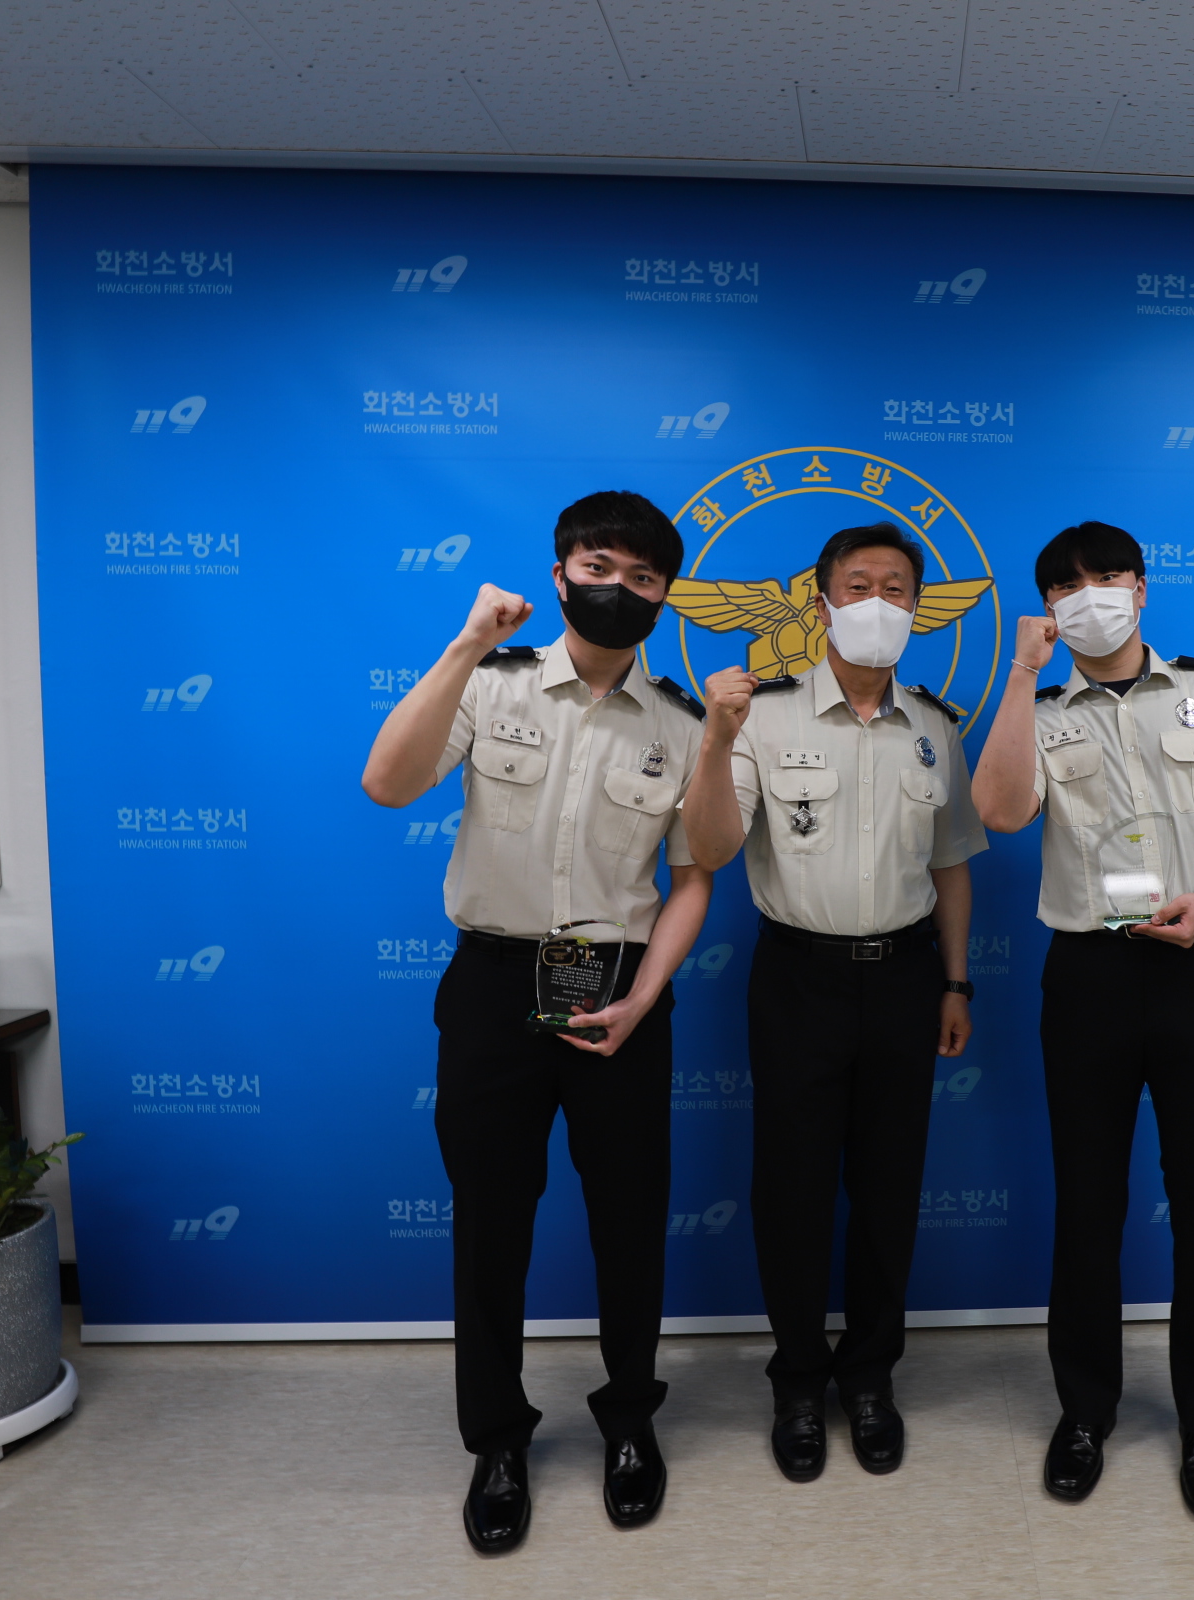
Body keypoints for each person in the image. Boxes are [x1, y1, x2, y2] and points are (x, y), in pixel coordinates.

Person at [361, 490, 711, 1552]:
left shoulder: (683, 723)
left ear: (664, 596)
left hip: (618, 988)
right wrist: (465, 644)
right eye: (599, 567)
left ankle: (631, 1421)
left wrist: (644, 995)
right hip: (494, 986)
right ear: (560, 575)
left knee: (629, 1220)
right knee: (490, 1223)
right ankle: (498, 1440)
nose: (619, 589)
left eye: (643, 577)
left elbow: (694, 877)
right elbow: (387, 782)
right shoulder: (492, 682)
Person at [968, 519, 1194, 1522]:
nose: (1091, 595)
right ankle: (1085, 1412)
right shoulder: (1038, 706)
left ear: (1142, 587)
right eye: (1067, 585)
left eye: (1108, 576)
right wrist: (1022, 676)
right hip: (1090, 973)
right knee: (1087, 1204)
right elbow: (1000, 812)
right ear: (1048, 604)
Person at [681, 522, 984, 1483]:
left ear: (918, 610)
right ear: (820, 604)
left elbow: (952, 865)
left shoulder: (934, 727)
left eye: (898, 588)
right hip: (798, 977)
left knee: (890, 1186)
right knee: (794, 1188)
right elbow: (713, 850)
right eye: (859, 585)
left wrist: (955, 979)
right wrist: (715, 737)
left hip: (904, 976)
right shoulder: (762, 716)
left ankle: (870, 1377)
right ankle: (799, 1382)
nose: (878, 603)